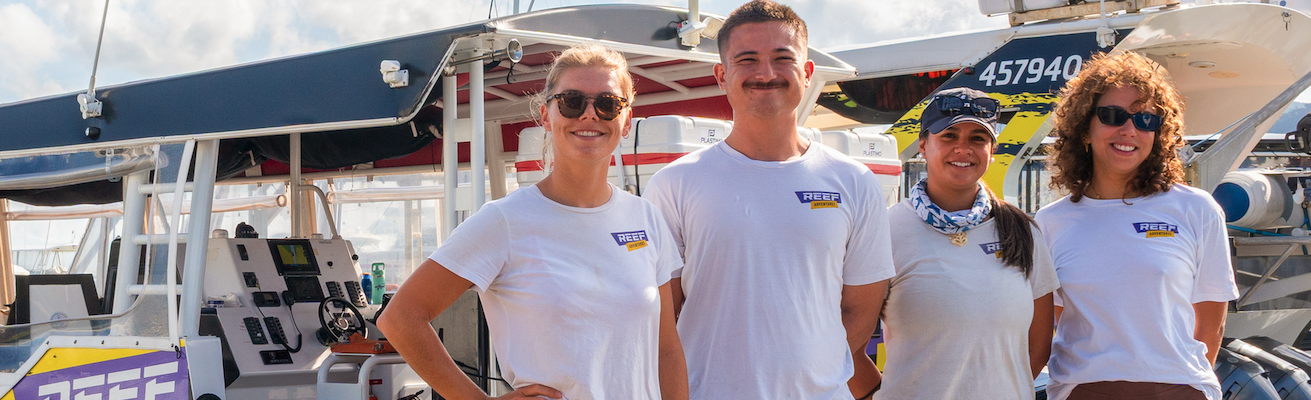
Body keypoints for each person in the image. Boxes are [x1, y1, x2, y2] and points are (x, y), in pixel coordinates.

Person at [377, 44, 687, 400]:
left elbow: (666, 350)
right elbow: (400, 318)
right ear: (546, 116)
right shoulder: (505, 221)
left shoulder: (646, 217)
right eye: (571, 102)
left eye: (608, 103)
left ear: (626, 119)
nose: (590, 115)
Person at [643, 1, 894, 398]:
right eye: (747, 60)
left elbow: (859, 314)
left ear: (807, 73)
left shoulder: (855, 182)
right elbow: (660, 321)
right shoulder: (674, 184)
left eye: (782, 58)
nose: (765, 73)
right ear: (722, 75)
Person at [1035, 52, 1236, 400]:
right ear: (1084, 127)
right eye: (1113, 116)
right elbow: (1048, 326)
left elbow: (1212, 321)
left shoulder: (1197, 209)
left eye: (1146, 119)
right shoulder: (1050, 222)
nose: (1129, 130)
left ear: (1159, 133)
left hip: (1180, 391)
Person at [852, 88, 1058, 400]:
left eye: (978, 138)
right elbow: (847, 346)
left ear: (992, 150)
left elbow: (1038, 346)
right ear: (923, 145)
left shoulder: (1023, 232)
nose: (963, 148)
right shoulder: (885, 231)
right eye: (949, 136)